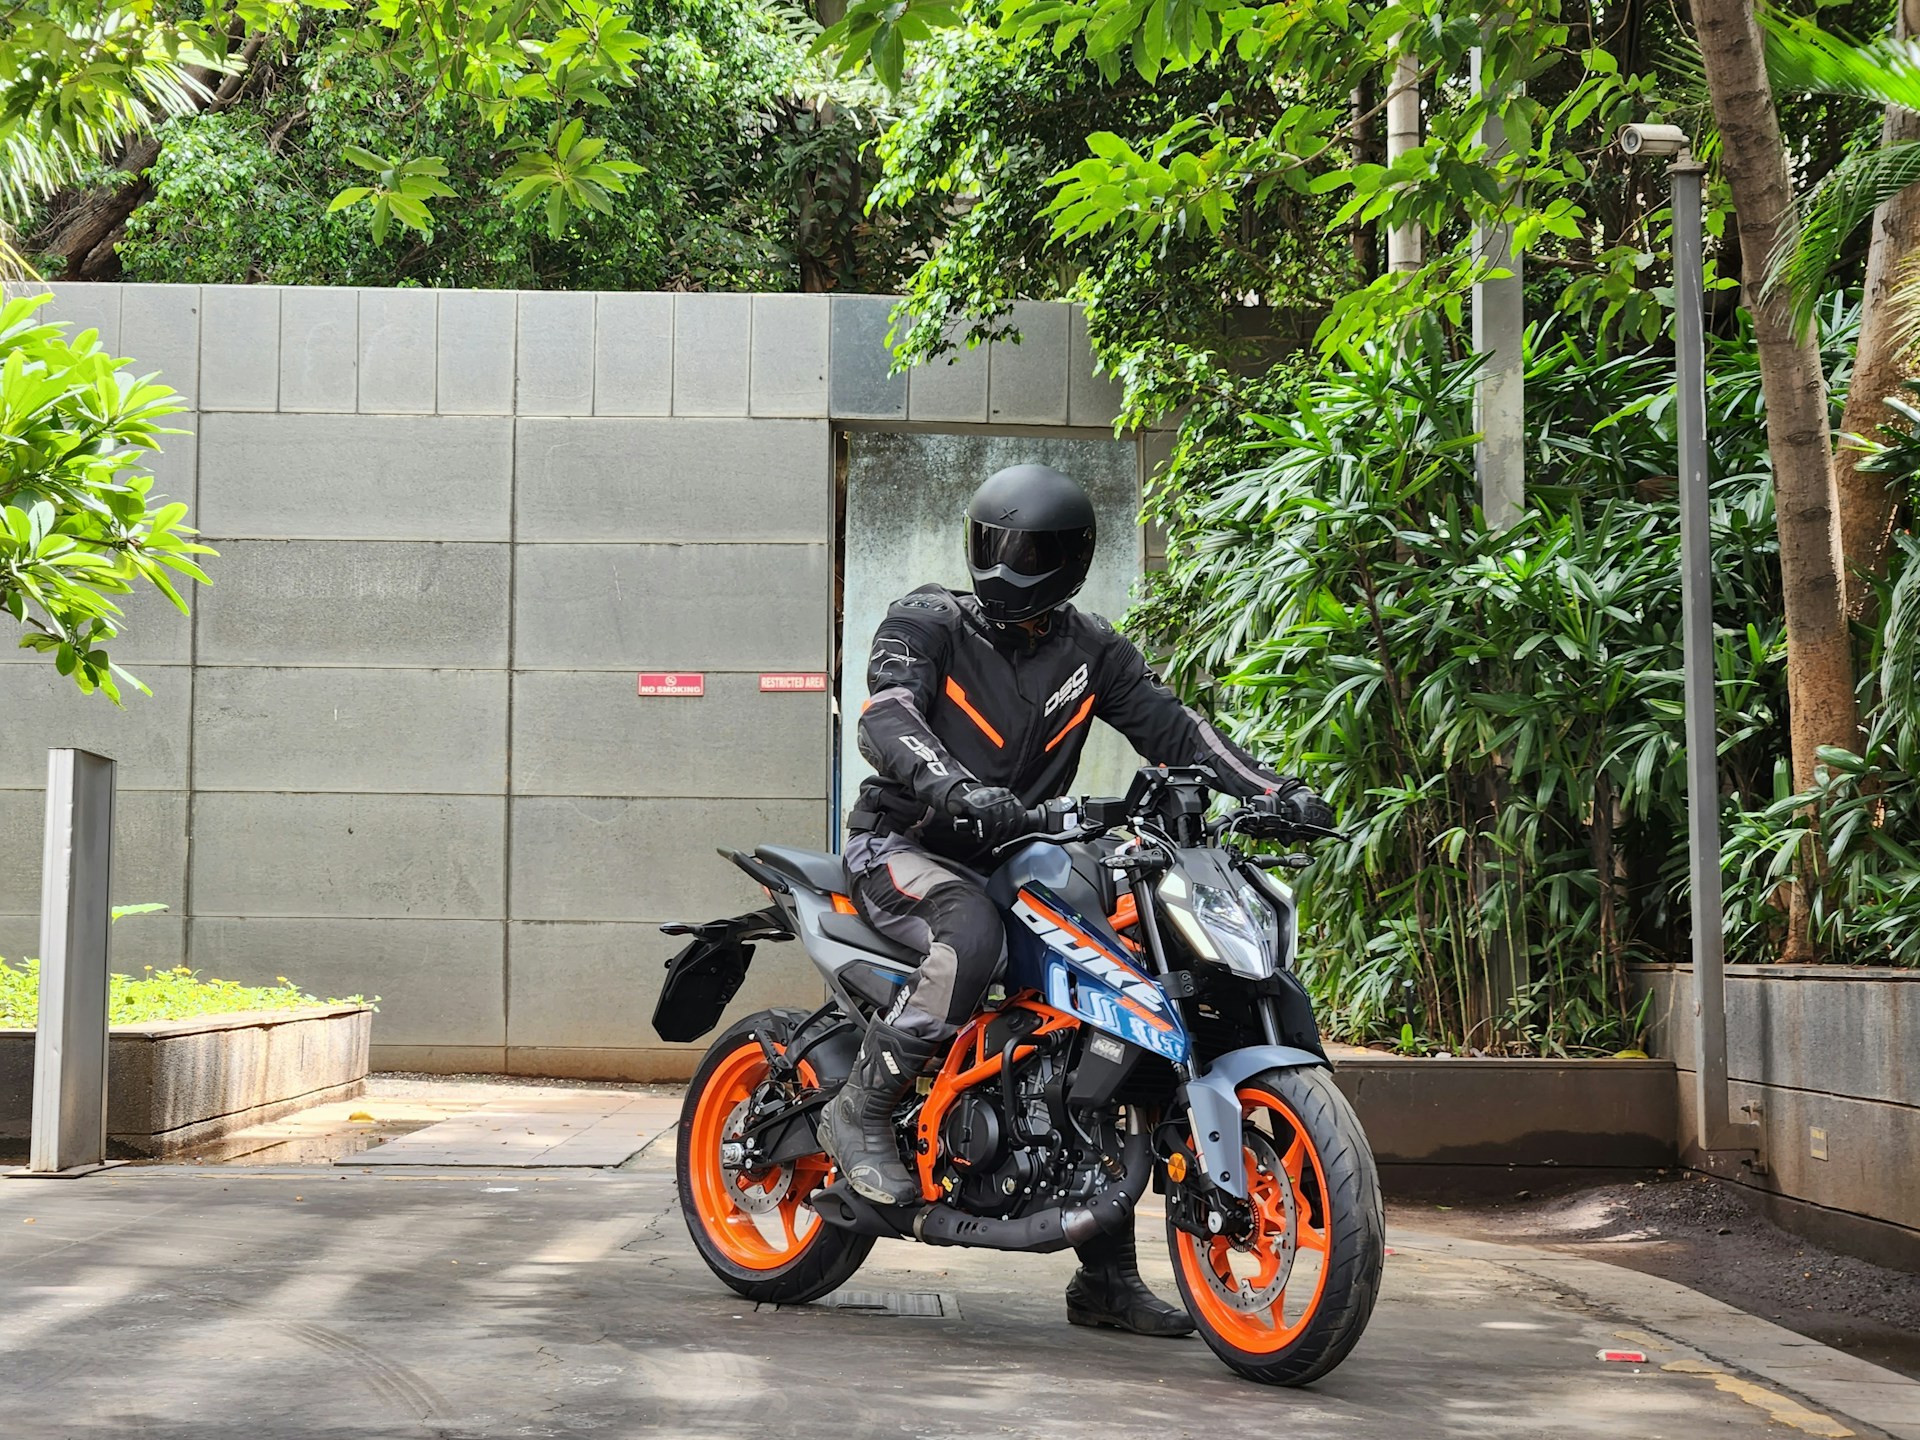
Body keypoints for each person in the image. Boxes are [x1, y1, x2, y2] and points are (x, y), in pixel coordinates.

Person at [819, 462, 1333, 1339]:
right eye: (996, 542)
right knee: (970, 933)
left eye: (1029, 549)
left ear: (1069, 559)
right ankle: (860, 1111)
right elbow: (887, 717)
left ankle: (1105, 1281)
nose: (1008, 562)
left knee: (1122, 1003)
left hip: (1024, 847)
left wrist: (1272, 789)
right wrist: (949, 787)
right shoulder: (926, 619)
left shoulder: (1092, 649)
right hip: (904, 846)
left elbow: (1179, 731)